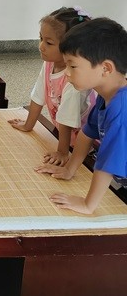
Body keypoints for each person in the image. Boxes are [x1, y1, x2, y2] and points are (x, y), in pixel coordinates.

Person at [35, 17, 127, 214]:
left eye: (73, 66)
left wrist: (88, 204)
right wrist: (69, 169)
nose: (66, 73)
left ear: (105, 68)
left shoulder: (121, 110)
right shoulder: (106, 95)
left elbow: (107, 163)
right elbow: (87, 133)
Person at [8, 7, 96, 166]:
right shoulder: (50, 63)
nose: (41, 46)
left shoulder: (74, 79)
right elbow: (38, 94)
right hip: (63, 131)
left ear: (71, 47)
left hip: (85, 143)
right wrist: (28, 125)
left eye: (49, 43)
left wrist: (62, 152)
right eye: (40, 38)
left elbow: (67, 118)